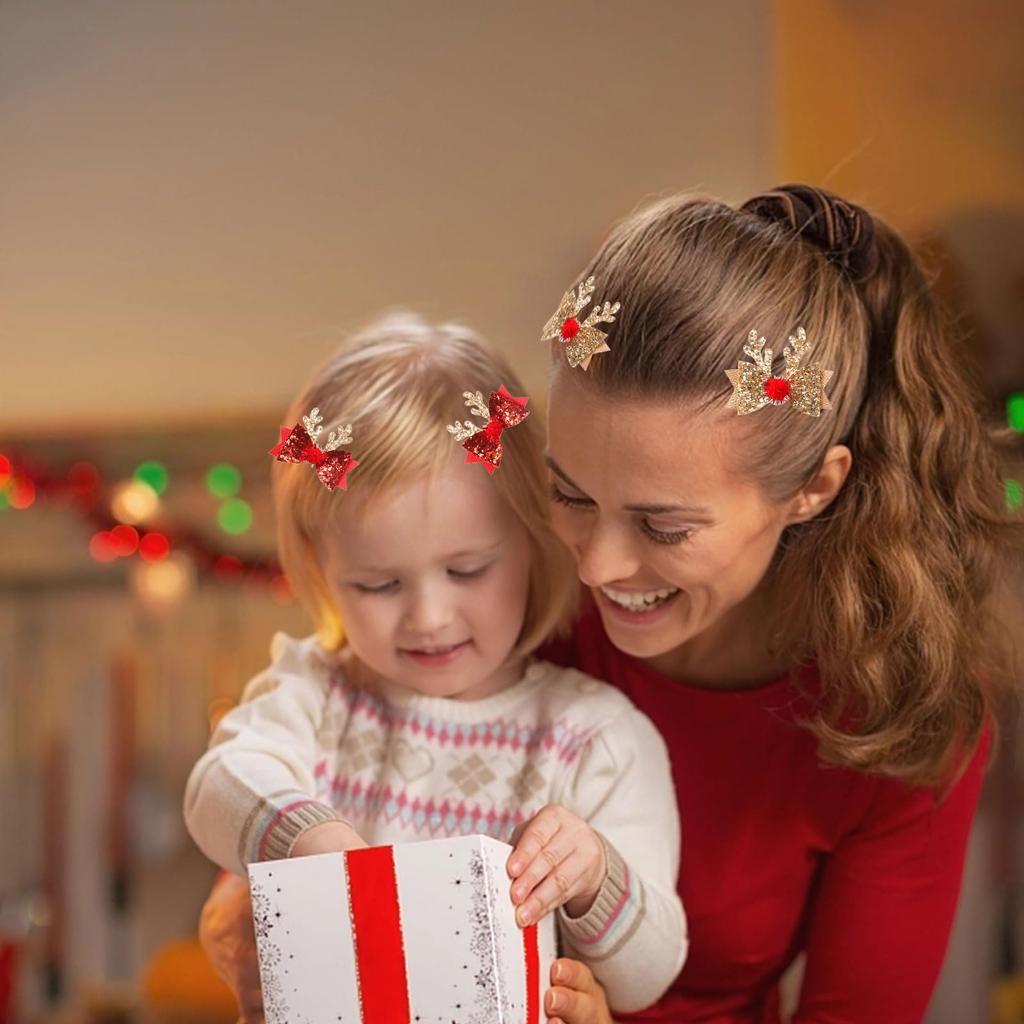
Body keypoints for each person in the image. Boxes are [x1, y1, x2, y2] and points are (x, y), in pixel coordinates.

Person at [199, 184, 1024, 1023]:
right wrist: (254, 905)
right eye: (571, 494)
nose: (593, 565)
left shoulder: (900, 717)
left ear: (812, 488)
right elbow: (315, 772)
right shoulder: (493, 594)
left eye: (662, 525)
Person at [183, 312, 687, 1020]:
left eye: (467, 569)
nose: (428, 617)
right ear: (324, 575)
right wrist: (311, 840)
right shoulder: (317, 692)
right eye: (379, 585)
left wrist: (593, 874)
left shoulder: (593, 737)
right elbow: (217, 784)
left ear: (536, 543)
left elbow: (649, 974)